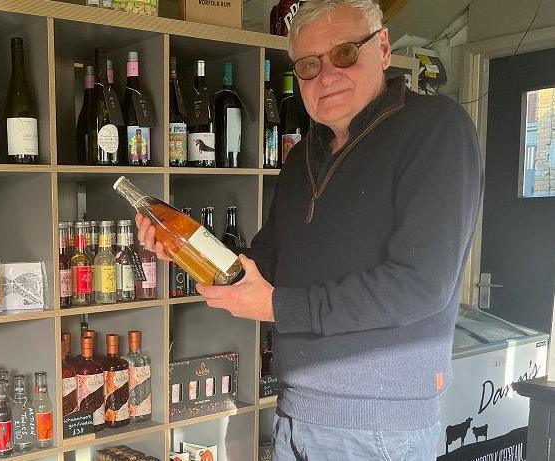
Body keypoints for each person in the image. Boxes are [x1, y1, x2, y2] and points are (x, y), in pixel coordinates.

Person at [135, 0, 483, 459]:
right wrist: (186, 247)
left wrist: (278, 305)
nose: (326, 75)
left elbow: (420, 286)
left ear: (382, 48)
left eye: (344, 53)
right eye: (308, 64)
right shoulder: (302, 158)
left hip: (376, 428)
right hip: (295, 416)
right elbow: (264, 265)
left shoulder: (435, 128)